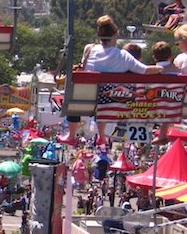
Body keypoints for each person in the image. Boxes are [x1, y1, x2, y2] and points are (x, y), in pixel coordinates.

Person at [61, 14, 162, 145]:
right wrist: (162, 68)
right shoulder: (123, 55)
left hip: (83, 99)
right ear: (114, 35)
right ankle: (101, 135)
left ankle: (71, 135)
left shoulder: (89, 49)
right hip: (110, 102)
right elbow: (145, 70)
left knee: (82, 94)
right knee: (105, 94)